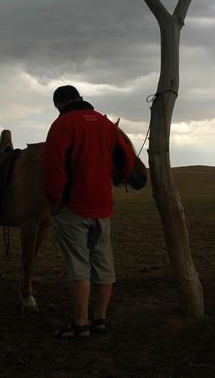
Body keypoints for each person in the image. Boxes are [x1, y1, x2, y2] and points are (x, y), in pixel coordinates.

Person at [42, 85, 135, 340]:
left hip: (72, 209)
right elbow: (127, 158)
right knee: (104, 265)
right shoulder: (106, 124)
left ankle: (80, 325)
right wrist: (116, 179)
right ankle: (100, 320)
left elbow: (54, 169)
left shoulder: (62, 125)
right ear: (80, 99)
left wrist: (55, 201)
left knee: (78, 266)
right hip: (103, 207)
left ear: (58, 104)